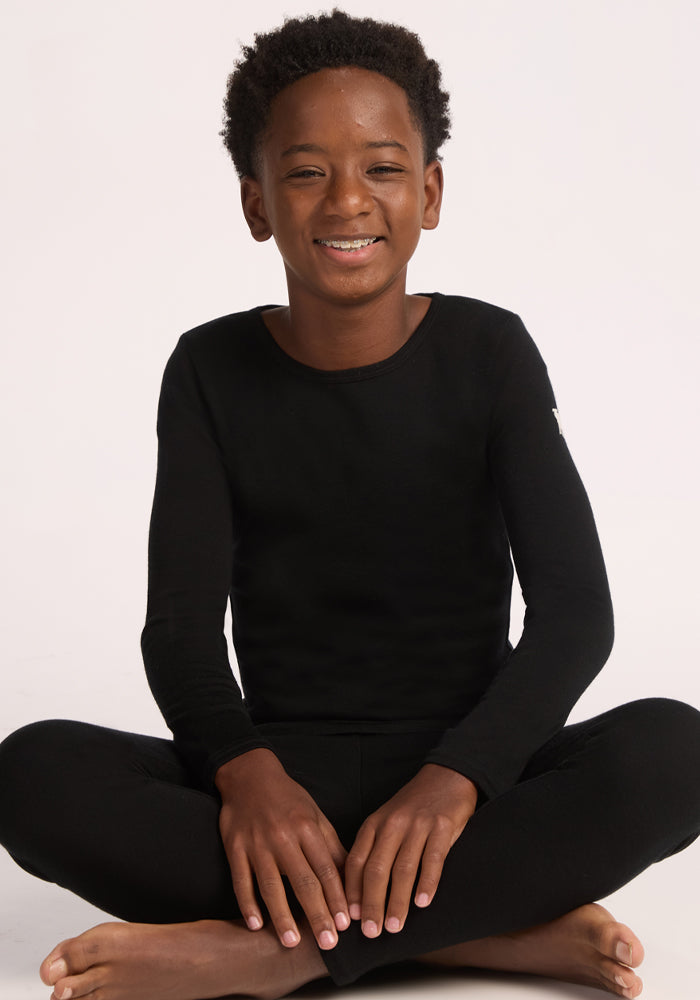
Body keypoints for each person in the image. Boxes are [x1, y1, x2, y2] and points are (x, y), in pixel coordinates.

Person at [1, 9, 699, 1000]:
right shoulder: (209, 368)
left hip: (469, 786)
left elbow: (575, 615)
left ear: (429, 192)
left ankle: (276, 953)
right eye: (303, 170)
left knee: (674, 752)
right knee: (32, 775)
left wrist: (456, 780)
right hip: (288, 786)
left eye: (379, 166)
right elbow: (182, 628)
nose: (344, 200)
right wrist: (245, 776)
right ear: (256, 202)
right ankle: (478, 930)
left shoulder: (488, 353)